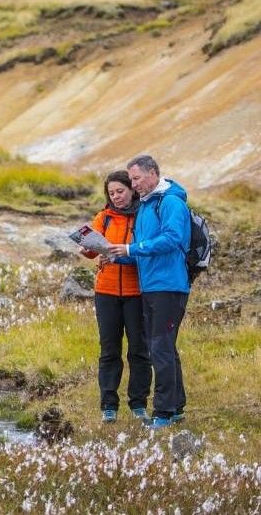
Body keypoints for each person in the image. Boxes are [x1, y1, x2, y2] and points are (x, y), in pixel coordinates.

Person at [107, 155, 190, 429]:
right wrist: (116, 255)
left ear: (153, 173)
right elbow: (141, 249)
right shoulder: (145, 206)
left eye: (137, 178)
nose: (133, 184)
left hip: (170, 286)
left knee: (160, 349)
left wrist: (131, 249)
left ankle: (163, 413)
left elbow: (173, 238)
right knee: (165, 348)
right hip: (152, 287)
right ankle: (176, 409)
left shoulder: (171, 202)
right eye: (131, 179)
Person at [82, 171, 150, 423]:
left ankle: (139, 405)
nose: (116, 197)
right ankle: (109, 406)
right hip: (106, 292)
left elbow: (146, 250)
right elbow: (91, 246)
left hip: (137, 292)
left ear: (132, 189)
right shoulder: (104, 217)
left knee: (139, 350)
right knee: (109, 350)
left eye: (120, 191)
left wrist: (122, 255)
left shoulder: (144, 216)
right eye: (111, 193)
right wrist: (86, 248)